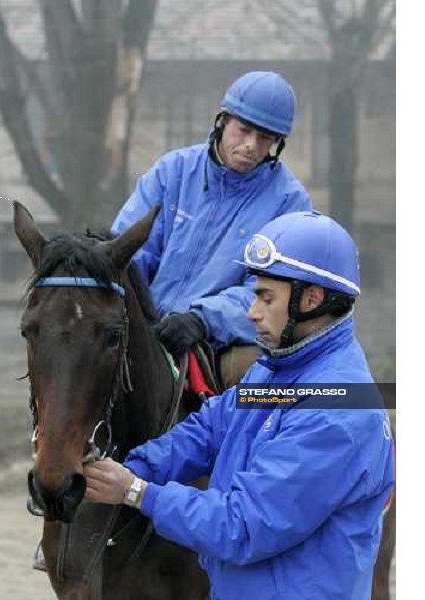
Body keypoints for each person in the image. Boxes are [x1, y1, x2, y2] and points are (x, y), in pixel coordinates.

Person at [84, 211, 396, 600]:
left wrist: (136, 491)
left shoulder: (336, 412)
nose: (251, 312)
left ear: (311, 300)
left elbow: (243, 526)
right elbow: (212, 428)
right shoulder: (278, 370)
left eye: (266, 298)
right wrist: (136, 466)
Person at [112, 71, 312, 386]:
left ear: (278, 144)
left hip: (220, 341)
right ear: (222, 121)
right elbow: (127, 253)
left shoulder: (290, 202)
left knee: (254, 376)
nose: (250, 146)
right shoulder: (171, 172)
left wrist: (203, 320)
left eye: (265, 139)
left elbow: (274, 292)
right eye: (243, 130)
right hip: (142, 326)